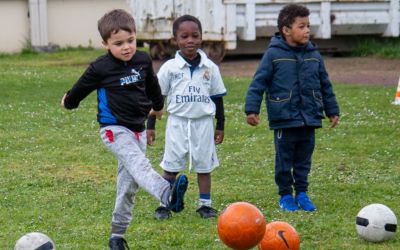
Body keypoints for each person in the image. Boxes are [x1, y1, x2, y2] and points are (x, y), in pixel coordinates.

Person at [60, 9, 188, 250]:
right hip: (114, 130)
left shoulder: (142, 60)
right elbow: (81, 88)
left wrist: (158, 107)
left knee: (128, 186)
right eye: (118, 43)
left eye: (130, 41)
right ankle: (167, 193)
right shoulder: (101, 67)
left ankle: (116, 236)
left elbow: (152, 85)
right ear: (105, 44)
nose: (126, 47)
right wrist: (69, 101)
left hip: (137, 130)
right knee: (140, 166)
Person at [244, 4, 340, 212]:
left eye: (308, 26)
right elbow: (258, 83)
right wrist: (252, 110)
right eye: (302, 26)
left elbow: (325, 84)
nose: (307, 30)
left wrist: (332, 110)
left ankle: (303, 193)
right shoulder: (273, 55)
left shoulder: (314, 55)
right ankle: (286, 195)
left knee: (304, 160)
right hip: (284, 119)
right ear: (286, 30)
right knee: (284, 160)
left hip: (309, 118)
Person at [147, 14, 227, 219]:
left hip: (203, 123)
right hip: (177, 123)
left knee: (204, 166)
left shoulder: (210, 68)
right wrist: (151, 126)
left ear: (201, 37)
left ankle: (205, 205)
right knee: (170, 166)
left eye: (195, 35)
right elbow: (157, 99)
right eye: (184, 36)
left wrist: (220, 126)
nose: (190, 40)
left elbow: (217, 99)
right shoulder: (169, 68)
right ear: (175, 39)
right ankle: (163, 204)